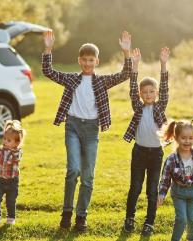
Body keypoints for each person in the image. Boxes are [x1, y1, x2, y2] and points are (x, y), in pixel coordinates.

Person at [42, 30, 132, 231]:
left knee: (88, 175)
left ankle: (81, 217)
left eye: (91, 60)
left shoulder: (101, 81)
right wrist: (48, 48)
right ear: (79, 60)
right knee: (73, 170)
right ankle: (67, 213)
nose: (88, 63)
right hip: (72, 126)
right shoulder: (72, 79)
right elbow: (48, 71)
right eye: (84, 60)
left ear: (97, 61)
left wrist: (126, 52)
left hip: (92, 130)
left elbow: (125, 74)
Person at [122, 47, 170, 236]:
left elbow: (166, 88)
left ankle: (149, 222)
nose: (148, 94)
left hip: (156, 154)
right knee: (135, 187)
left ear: (156, 93)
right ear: (141, 95)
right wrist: (135, 65)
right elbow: (132, 88)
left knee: (152, 190)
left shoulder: (160, 107)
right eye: (145, 92)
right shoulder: (138, 107)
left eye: (152, 91)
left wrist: (164, 64)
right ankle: (129, 219)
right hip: (139, 152)